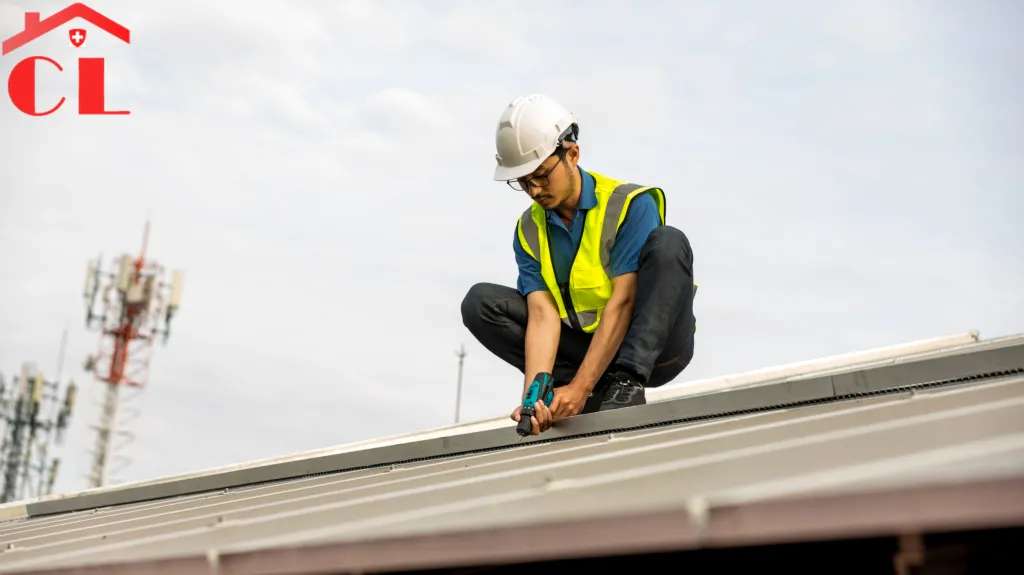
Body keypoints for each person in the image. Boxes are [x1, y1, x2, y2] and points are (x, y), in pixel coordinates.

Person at [461, 93, 697, 436]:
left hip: (655, 351)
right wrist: (534, 400)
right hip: (589, 349)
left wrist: (582, 387)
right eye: (523, 182)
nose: (534, 190)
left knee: (669, 241)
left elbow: (624, 301)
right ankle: (566, 395)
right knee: (480, 303)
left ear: (572, 154)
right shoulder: (529, 229)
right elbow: (542, 315)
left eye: (541, 175)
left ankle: (624, 385)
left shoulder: (629, 205)